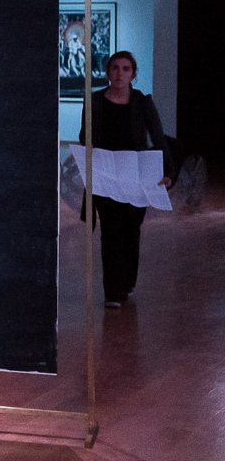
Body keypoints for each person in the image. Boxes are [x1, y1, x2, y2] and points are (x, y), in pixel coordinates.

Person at [79, 50, 173, 309]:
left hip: (135, 177)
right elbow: (84, 136)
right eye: (115, 68)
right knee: (110, 232)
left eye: (126, 69)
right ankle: (112, 292)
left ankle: (127, 282)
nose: (120, 73)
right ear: (108, 72)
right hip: (106, 175)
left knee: (131, 231)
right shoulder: (95, 101)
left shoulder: (141, 102)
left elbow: (157, 135)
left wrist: (168, 170)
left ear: (133, 74)